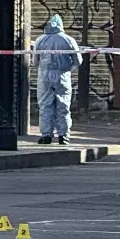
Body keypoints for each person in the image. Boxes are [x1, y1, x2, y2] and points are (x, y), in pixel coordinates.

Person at [33, 14, 82, 145]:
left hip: (45, 77)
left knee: (45, 106)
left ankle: (46, 135)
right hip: (62, 76)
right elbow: (78, 60)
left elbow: (35, 61)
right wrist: (67, 68)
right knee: (63, 106)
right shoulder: (68, 39)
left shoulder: (40, 40)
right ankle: (63, 136)